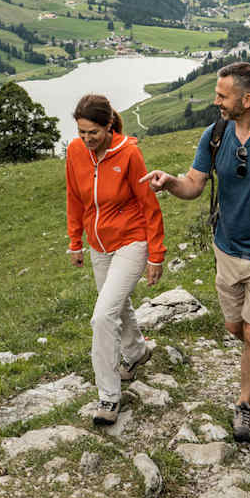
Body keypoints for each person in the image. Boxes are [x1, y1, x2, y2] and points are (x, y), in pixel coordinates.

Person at [142, 62, 250, 444]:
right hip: (227, 248)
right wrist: (170, 182)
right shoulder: (216, 134)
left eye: (222, 96)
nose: (216, 102)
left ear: (247, 98)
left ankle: (245, 406)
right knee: (235, 329)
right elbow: (193, 185)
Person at [65, 93, 166, 427]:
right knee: (117, 307)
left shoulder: (130, 154)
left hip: (131, 241)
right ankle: (137, 351)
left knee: (103, 317)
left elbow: (149, 205)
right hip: (98, 245)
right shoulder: (75, 152)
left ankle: (108, 396)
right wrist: (75, 241)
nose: (86, 139)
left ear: (109, 126)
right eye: (81, 132)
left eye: (92, 132)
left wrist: (156, 254)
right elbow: (74, 197)